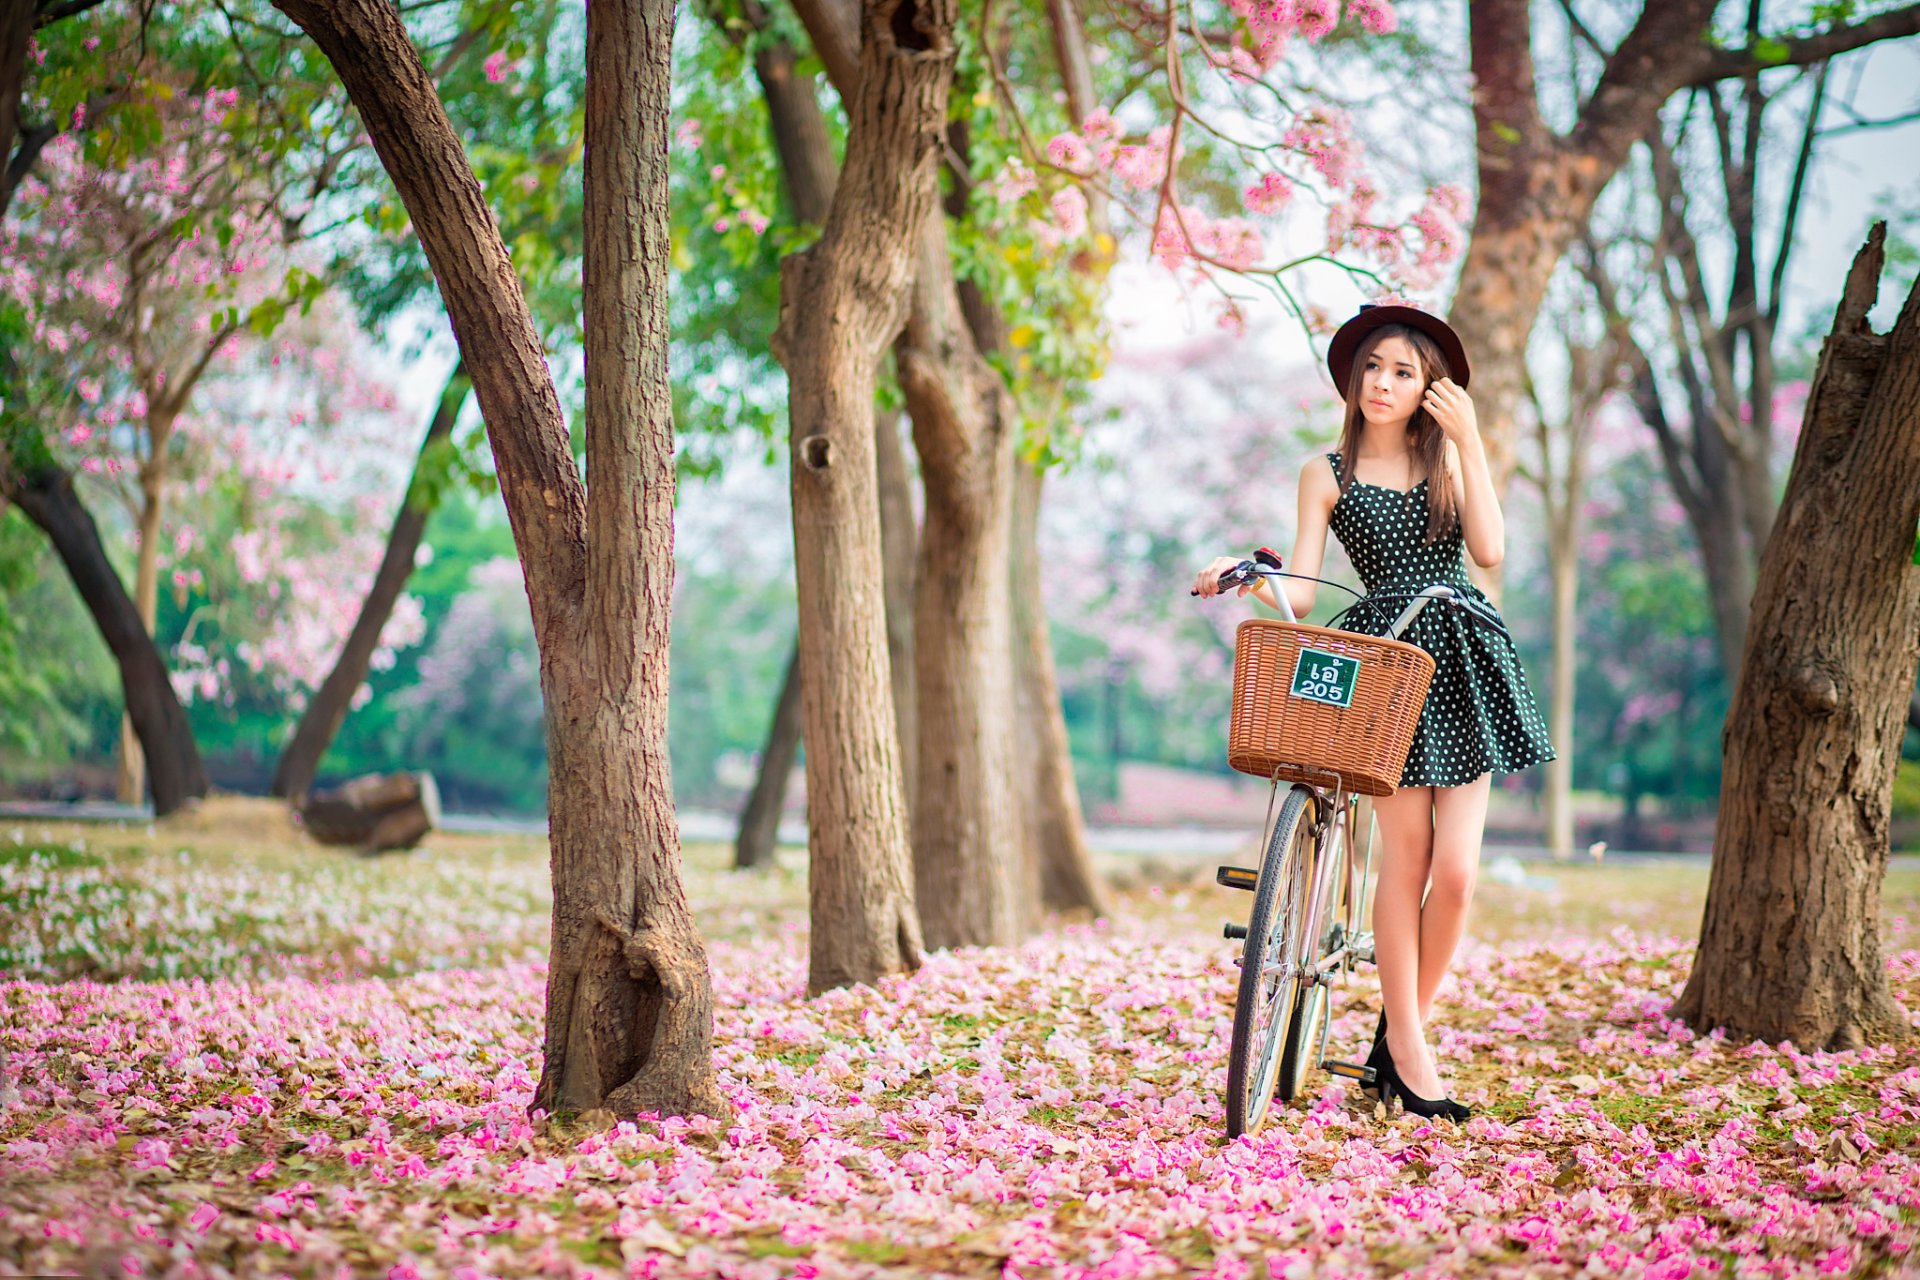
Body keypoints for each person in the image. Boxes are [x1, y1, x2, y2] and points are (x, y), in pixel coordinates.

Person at [1191, 304, 1554, 1121]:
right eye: (1373, 369)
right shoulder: (1327, 472)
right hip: (1381, 661)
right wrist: (1250, 572)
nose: (1383, 384)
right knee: (1408, 857)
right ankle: (1413, 1058)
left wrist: (1471, 443)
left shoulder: (1449, 463)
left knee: (1456, 875)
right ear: (1353, 380)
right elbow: (1310, 583)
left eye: (1403, 372)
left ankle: (1397, 1039)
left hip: (1459, 652)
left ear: (1429, 389)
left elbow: (1490, 551)